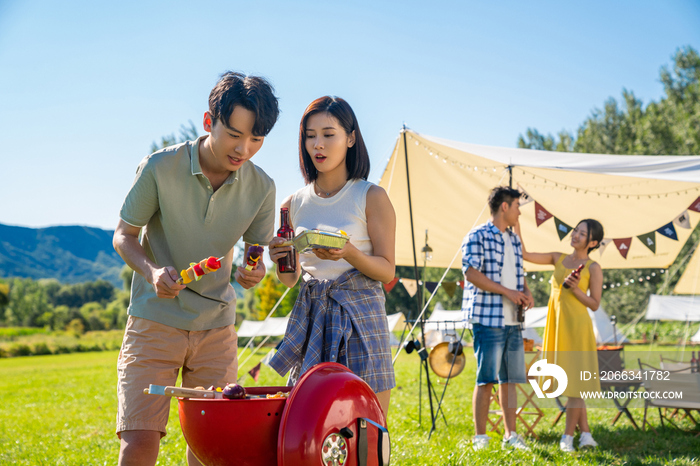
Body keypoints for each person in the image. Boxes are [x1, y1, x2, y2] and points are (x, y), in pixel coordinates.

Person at [112, 71, 279, 466]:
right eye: (235, 134)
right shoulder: (159, 167)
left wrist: (252, 272)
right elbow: (124, 235)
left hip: (216, 327)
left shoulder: (263, 187)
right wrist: (153, 272)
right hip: (154, 320)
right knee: (139, 441)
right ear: (209, 122)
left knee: (212, 447)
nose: (245, 149)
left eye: (256, 139)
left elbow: (253, 252)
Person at [267, 96, 396, 418]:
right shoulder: (293, 203)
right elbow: (290, 278)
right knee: (312, 417)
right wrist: (280, 257)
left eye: (328, 134)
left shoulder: (371, 195)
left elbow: (386, 270)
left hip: (361, 310)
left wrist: (349, 252)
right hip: (313, 311)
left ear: (350, 138)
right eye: (310, 136)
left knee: (367, 419)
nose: (318, 145)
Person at [517, 219, 604, 452]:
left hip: (577, 328)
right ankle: (586, 434)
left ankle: (567, 438)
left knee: (574, 385)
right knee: (571, 382)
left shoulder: (593, 268)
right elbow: (524, 253)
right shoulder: (557, 258)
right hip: (556, 325)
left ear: (592, 242)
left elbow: (595, 304)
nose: (575, 234)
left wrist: (575, 289)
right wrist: (517, 223)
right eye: (576, 230)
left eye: (582, 233)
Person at [462, 186, 535, 451]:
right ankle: (481, 438)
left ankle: (511, 436)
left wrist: (526, 292)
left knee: (510, 379)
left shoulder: (515, 240)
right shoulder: (477, 235)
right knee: (486, 380)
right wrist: (508, 292)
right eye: (517, 206)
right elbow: (471, 274)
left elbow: (519, 272)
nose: (519, 213)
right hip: (487, 318)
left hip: (513, 321)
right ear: (504, 206)